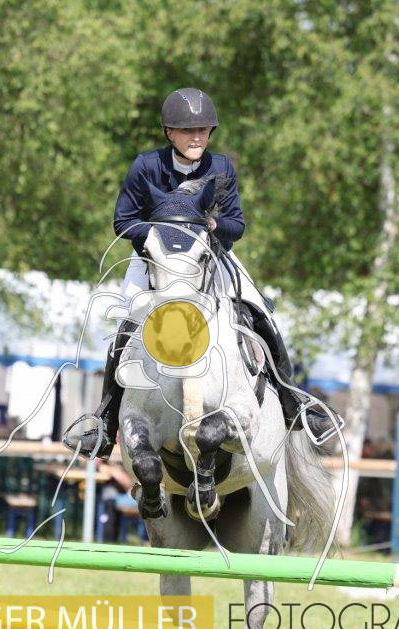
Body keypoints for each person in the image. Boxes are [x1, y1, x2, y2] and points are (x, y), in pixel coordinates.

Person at [63, 87, 339, 459]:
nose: (197, 137)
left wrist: (211, 226)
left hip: (210, 257)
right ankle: (106, 422)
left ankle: (294, 404)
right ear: (169, 132)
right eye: (187, 130)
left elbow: (236, 224)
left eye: (203, 130)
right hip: (154, 260)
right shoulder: (146, 166)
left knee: (260, 312)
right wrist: (160, 234)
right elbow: (123, 221)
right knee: (126, 324)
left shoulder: (220, 168)